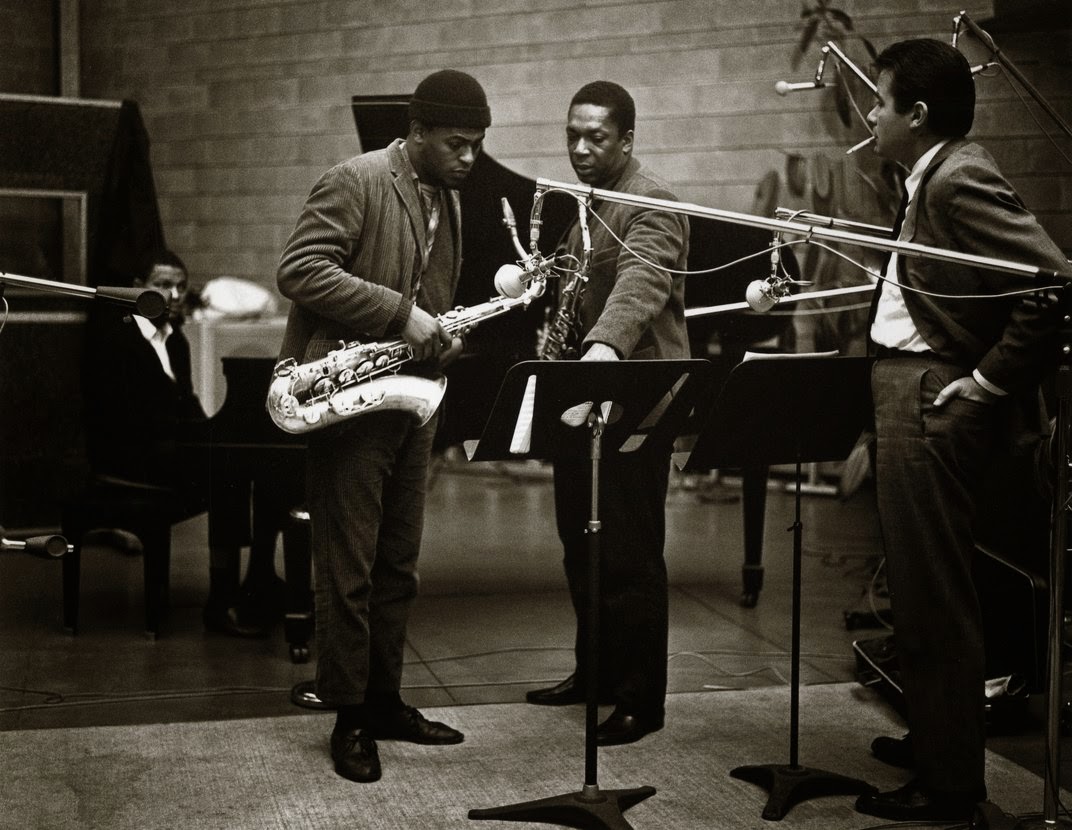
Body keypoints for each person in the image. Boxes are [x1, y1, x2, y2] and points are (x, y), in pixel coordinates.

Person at [857, 38, 1067, 822]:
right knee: (917, 587)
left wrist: (983, 384)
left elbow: (1051, 284)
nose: (871, 115)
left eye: (881, 103)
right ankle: (936, 739)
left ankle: (949, 785)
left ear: (916, 114)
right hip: (905, 387)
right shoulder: (925, 175)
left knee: (933, 594)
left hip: (930, 394)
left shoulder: (960, 174)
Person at [275, 69, 490, 783]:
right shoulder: (355, 179)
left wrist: (442, 336)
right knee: (349, 570)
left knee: (399, 565)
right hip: (350, 398)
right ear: (418, 131)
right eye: (457, 144)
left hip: (411, 395)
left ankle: (386, 700)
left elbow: (432, 297)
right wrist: (402, 316)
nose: (469, 158)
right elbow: (301, 270)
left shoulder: (448, 197)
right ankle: (348, 716)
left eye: (478, 146)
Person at [524, 81, 690, 746]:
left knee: (629, 552)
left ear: (627, 139)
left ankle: (639, 699)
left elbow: (640, 286)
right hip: (585, 398)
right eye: (572, 135)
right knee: (581, 544)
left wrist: (601, 346)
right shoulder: (588, 208)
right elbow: (579, 282)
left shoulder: (653, 204)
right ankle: (593, 673)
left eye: (596, 137)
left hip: (636, 398)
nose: (581, 148)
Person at [82, 250, 287, 638]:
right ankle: (221, 599)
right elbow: (121, 414)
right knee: (227, 472)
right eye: (163, 285)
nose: (174, 295)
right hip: (127, 455)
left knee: (259, 463)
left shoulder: (176, 340)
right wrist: (203, 444)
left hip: (164, 447)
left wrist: (212, 434)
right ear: (138, 288)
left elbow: (187, 403)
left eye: (180, 286)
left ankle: (259, 575)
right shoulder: (114, 337)